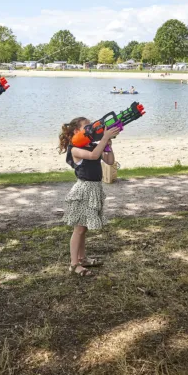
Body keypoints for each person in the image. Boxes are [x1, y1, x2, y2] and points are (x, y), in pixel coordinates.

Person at [57, 118, 121, 277]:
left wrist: (108, 145)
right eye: (88, 126)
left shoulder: (93, 145)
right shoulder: (75, 149)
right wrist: (104, 138)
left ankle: (82, 258)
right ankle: (74, 264)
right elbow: (93, 156)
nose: (92, 128)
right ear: (76, 132)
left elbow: (110, 161)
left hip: (94, 189)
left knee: (83, 228)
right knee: (78, 229)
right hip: (83, 190)